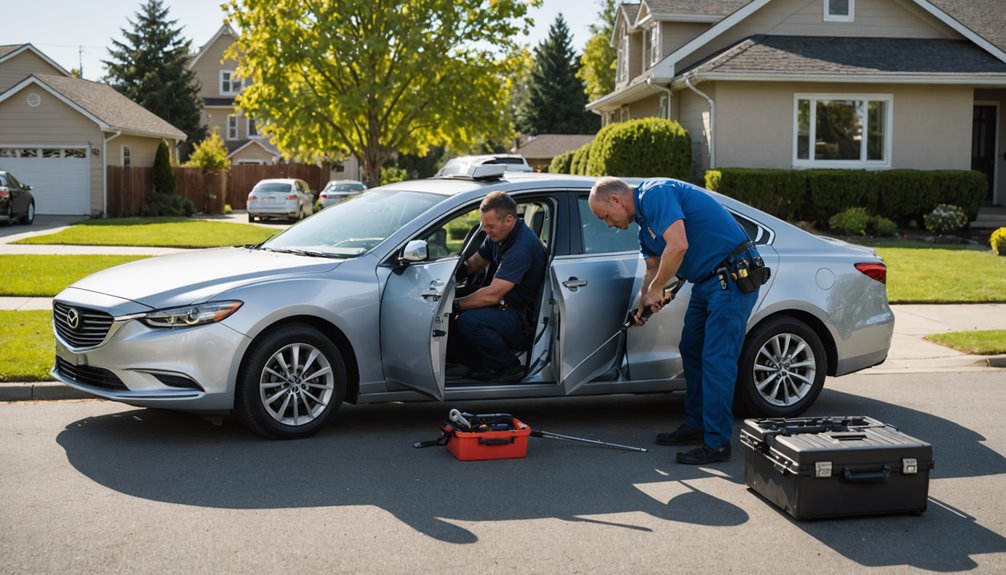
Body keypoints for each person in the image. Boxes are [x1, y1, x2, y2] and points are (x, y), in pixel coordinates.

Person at [588, 176, 761, 465]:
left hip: (731, 279)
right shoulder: (644, 228)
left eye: (605, 216)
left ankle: (717, 444)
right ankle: (696, 426)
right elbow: (652, 269)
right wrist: (644, 300)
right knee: (691, 348)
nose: (607, 224)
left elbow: (678, 245)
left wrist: (658, 289)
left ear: (616, 200)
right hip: (706, 283)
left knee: (716, 360)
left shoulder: (656, 194)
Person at [449, 191, 546, 382]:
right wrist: (450, 279)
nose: (486, 230)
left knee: (469, 320)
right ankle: (480, 364)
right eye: (484, 225)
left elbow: (492, 295)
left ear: (509, 220)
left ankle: (508, 367)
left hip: (521, 320)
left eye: (490, 226)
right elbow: (475, 263)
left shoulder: (522, 247)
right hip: (506, 304)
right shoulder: (499, 236)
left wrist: (453, 305)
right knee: (460, 293)